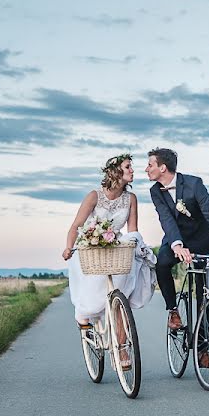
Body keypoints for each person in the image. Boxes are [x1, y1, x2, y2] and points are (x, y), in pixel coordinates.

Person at [145, 147, 209, 368]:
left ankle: (203, 351)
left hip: (203, 241)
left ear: (162, 167)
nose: (147, 169)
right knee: (161, 263)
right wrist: (177, 244)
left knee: (205, 298)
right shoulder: (155, 190)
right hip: (176, 240)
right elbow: (166, 218)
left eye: (150, 165)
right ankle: (173, 311)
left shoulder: (194, 184)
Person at [63, 154, 156, 368]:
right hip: (93, 249)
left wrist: (139, 246)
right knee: (92, 301)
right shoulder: (94, 196)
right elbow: (76, 226)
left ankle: (122, 349)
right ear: (116, 172)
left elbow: (132, 230)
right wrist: (69, 247)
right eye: (128, 167)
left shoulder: (131, 198)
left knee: (121, 299)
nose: (133, 171)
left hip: (116, 250)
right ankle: (84, 318)